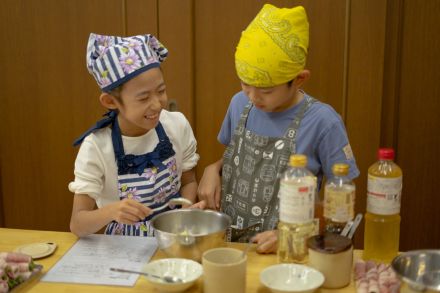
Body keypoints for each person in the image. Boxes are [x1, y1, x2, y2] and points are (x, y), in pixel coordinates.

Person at [197, 4, 359, 253]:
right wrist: (214, 168)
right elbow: (239, 160)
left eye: (266, 91)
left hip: (287, 251)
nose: (252, 97)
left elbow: (341, 205)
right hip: (230, 247)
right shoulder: (239, 104)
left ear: (300, 79)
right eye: (245, 84)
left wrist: (295, 234)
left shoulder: (323, 122)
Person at [69, 33, 199, 237]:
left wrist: (185, 213)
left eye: (161, 91)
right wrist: (111, 211)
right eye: (143, 97)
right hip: (124, 249)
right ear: (111, 102)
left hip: (174, 236)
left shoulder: (176, 125)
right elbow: (77, 225)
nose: (157, 104)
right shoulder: (97, 147)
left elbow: (189, 181)